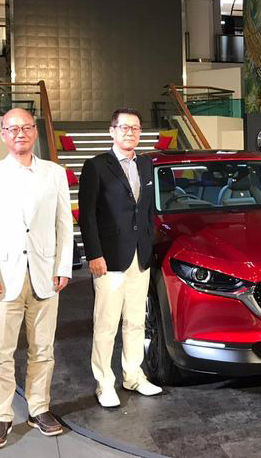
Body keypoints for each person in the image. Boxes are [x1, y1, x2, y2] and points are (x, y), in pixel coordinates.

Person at [0, 108, 73, 449]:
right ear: (3, 134)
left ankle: (39, 408)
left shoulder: (54, 173)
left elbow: (64, 224)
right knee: (0, 351)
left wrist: (63, 267)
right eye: (13, 128)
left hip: (45, 275)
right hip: (3, 278)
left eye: (27, 127)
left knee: (43, 349)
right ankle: (1, 414)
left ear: (34, 132)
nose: (20, 133)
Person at [78, 107, 160, 407]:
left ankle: (133, 375)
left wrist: (149, 244)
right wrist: (94, 254)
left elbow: (147, 211)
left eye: (135, 128)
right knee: (106, 325)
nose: (130, 132)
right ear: (112, 131)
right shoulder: (96, 166)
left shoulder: (146, 164)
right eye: (124, 127)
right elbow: (87, 215)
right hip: (109, 260)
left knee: (136, 321)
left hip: (140, 257)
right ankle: (104, 383)